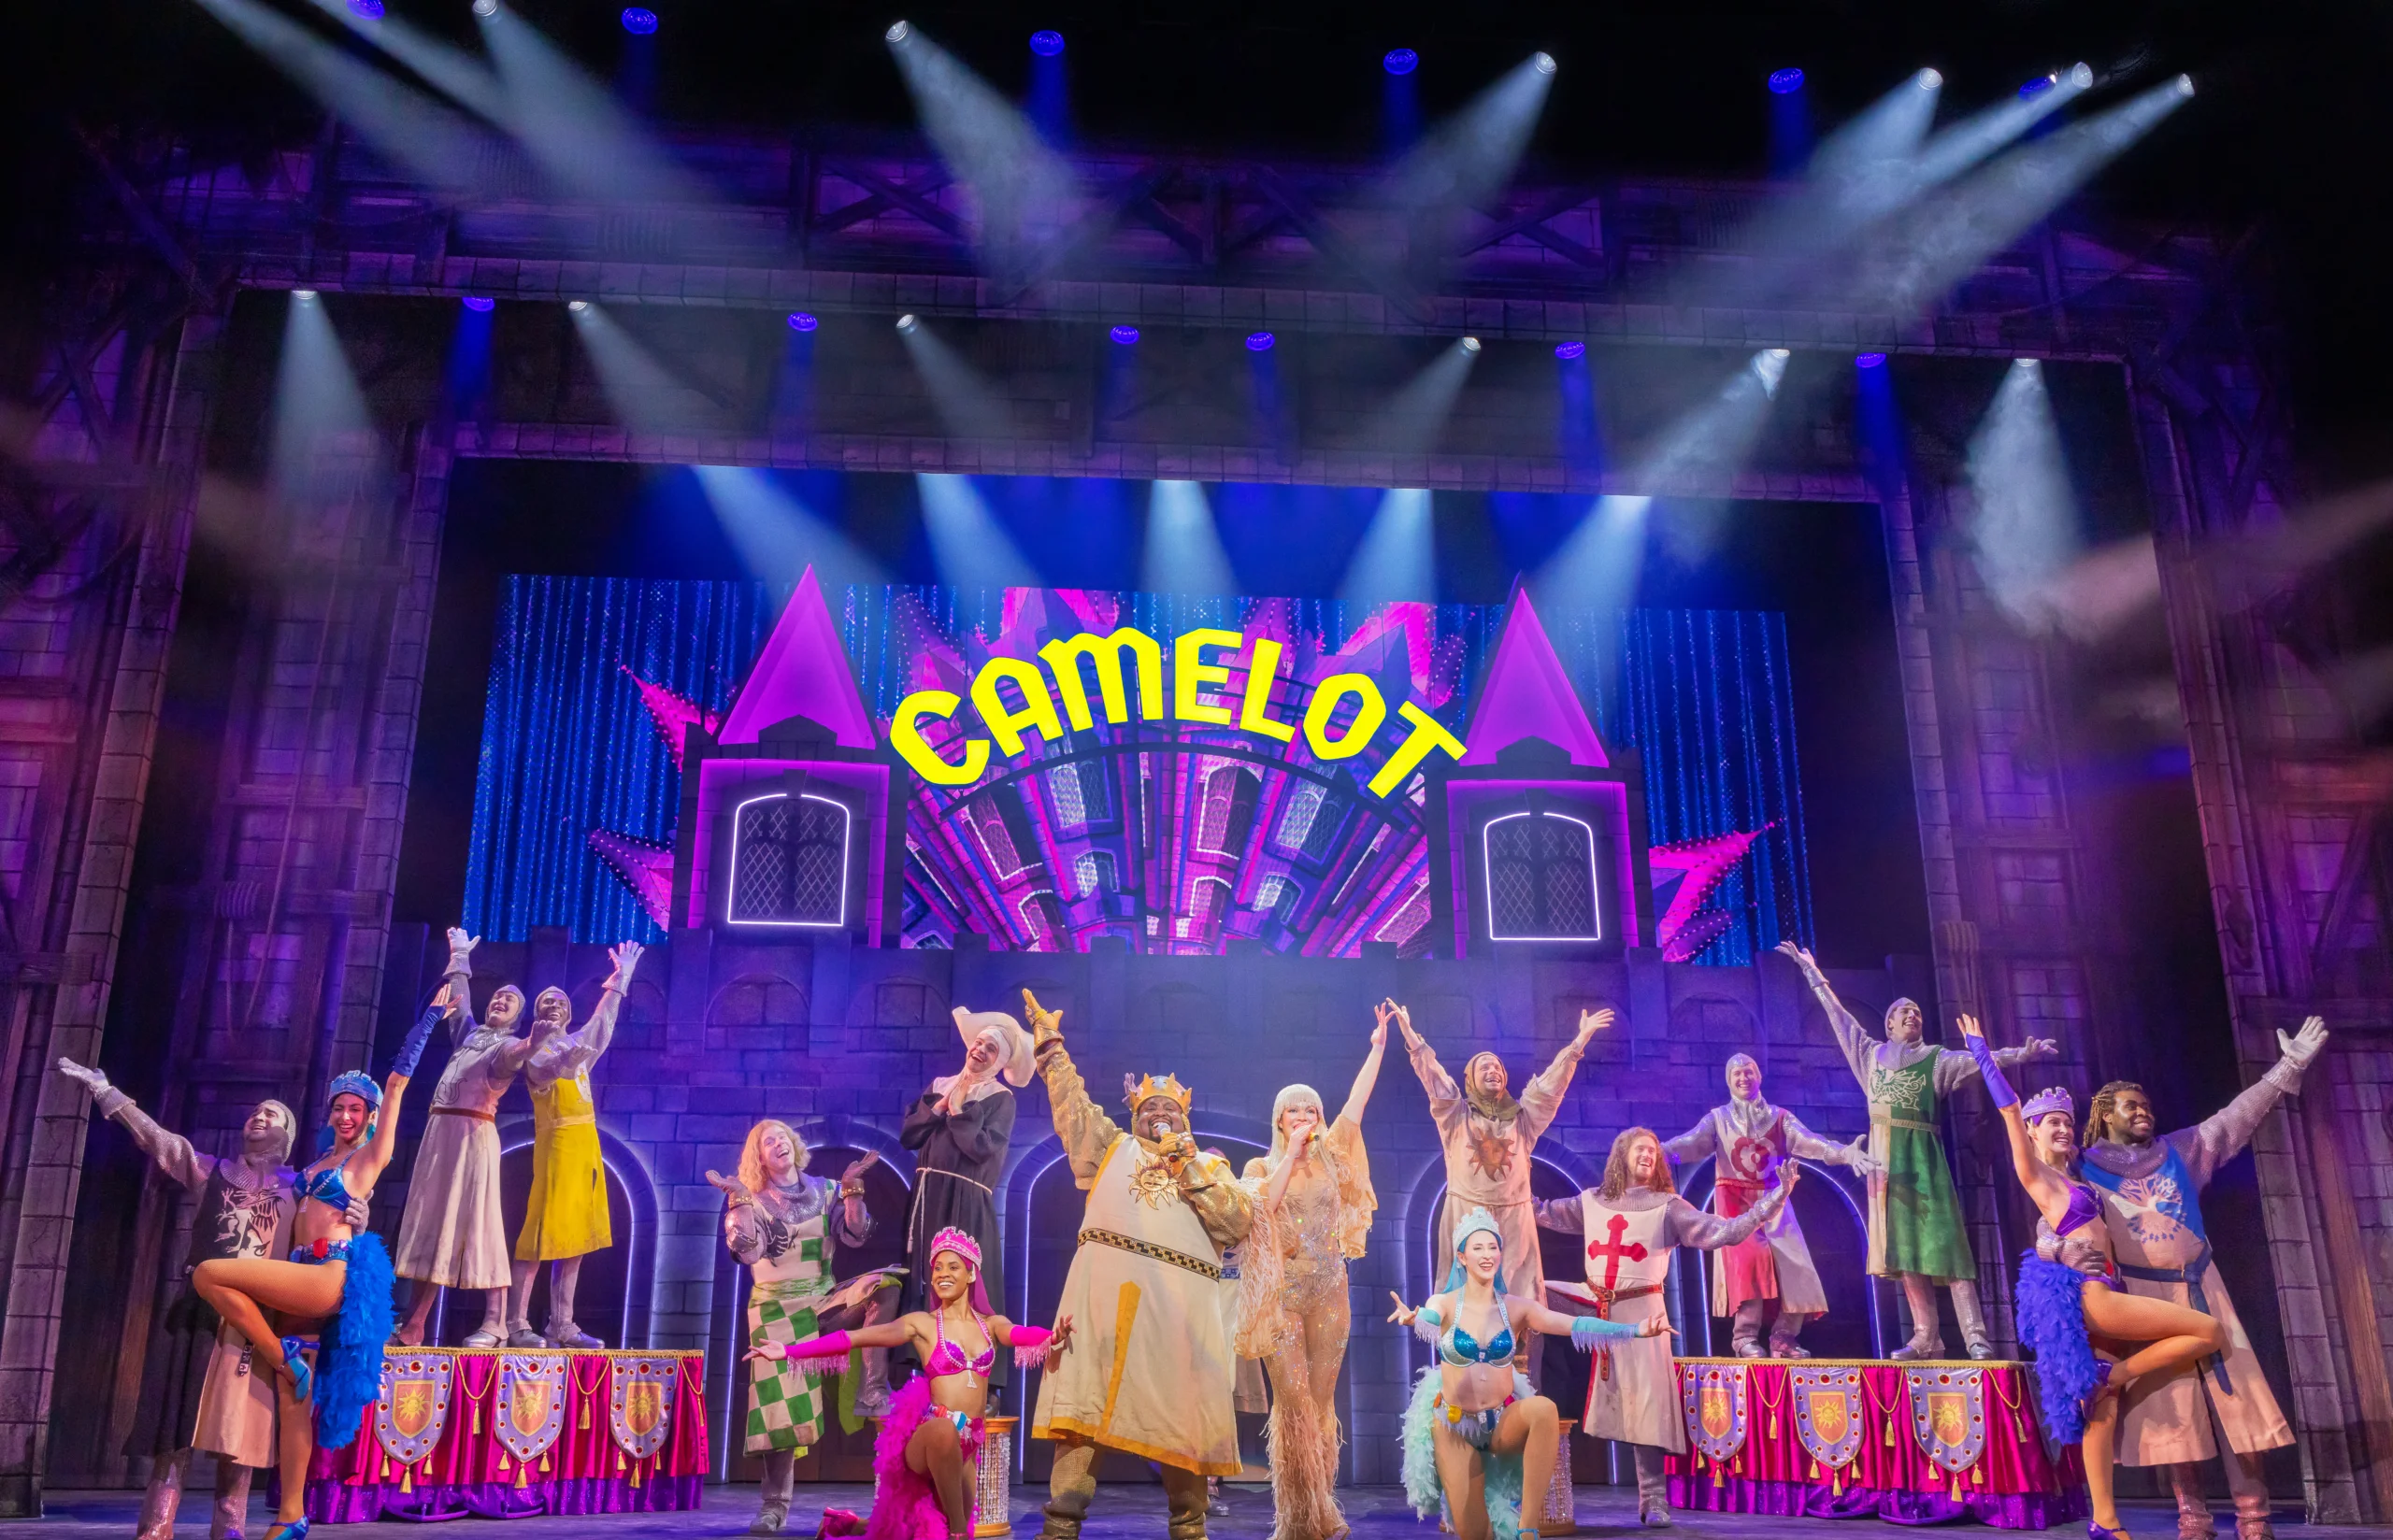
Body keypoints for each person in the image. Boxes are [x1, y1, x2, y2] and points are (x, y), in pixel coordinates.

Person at [53, 1065, 366, 1540]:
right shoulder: (212, 1170)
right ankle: (157, 1527)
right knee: (175, 1424)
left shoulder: (297, 1185)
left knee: (238, 1432)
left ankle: (230, 1529)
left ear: (289, 1135)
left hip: (256, 1319)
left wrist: (355, 1217)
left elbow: (329, 1220)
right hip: (201, 1309)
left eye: (273, 1113)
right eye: (255, 1112)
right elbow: (160, 1141)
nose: (259, 1117)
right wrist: (106, 1091)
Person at [185, 984, 449, 1540]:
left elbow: (398, 1084)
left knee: (209, 1273)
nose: (347, 1115)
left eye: (356, 1109)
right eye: (339, 1107)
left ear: (370, 1116)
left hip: (328, 1277)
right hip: (295, 1275)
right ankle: (291, 1515)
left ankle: (281, 1355)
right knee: (293, 1404)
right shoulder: (315, 1163)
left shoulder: (366, 1159)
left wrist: (428, 1017)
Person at [1963, 1017, 2228, 1540]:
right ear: (2036, 1133)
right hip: (2093, 1296)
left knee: (2099, 1413)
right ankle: (2116, 1377)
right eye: (2052, 1123)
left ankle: (2104, 1521)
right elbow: (2010, 1111)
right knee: (2208, 1331)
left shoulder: (2076, 1172)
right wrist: (1981, 1054)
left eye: (2067, 1120)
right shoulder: (2035, 1173)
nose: (2063, 1128)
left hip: (2105, 1288)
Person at [2079, 1018, 2327, 1540]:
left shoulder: (2181, 1151)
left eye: (2147, 1104)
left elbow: (2236, 1116)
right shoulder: (2083, 1170)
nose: (2144, 1111)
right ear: (2104, 1115)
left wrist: (2288, 1066)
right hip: (2144, 1296)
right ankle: (2194, 1518)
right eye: (2131, 1105)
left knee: (2239, 1401)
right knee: (2174, 1408)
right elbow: (2050, 1204)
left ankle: (2253, 1518)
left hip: (2202, 1284)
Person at [1021, 987, 1253, 1540]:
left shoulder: (1210, 1168)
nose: (1160, 1116)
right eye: (1150, 1109)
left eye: (1170, 1110)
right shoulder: (1110, 1148)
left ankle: (1189, 1525)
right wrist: (1052, 1048)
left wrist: (1186, 1162)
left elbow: (1236, 1223)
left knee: (1179, 1419)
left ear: (1185, 1118)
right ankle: (1061, 1523)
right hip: (1105, 1300)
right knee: (1084, 1414)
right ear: (1136, 1116)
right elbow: (1073, 1108)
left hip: (1176, 1313)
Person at [1777, 941, 2056, 1359]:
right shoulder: (1870, 1056)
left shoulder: (1938, 1059)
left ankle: (1975, 1335)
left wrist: (2022, 1053)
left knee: (1946, 1246)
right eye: (1904, 1012)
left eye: (1918, 1013)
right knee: (1904, 1252)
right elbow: (1839, 1016)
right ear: (1888, 1024)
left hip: (1924, 1159)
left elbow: (1984, 1062)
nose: (1912, 1015)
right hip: (1886, 1166)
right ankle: (1927, 1336)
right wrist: (1811, 973)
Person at [1535, 1128, 1797, 1527]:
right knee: (1529, 1296)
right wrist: (1503, 1183)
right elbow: (1540, 1211)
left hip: (1642, 1312)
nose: (1647, 1155)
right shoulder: (1591, 1201)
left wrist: (1772, 1200)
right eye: (1640, 1149)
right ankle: (1522, 1413)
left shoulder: (1669, 1208)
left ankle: (1653, 1500)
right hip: (1590, 1300)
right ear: (1621, 1155)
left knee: (1648, 1406)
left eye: (1653, 1151)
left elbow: (1723, 1232)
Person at [749, 1228, 1068, 1540]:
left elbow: (1020, 1335)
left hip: (970, 1443)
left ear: (971, 1275)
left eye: (953, 1267)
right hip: (931, 1435)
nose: (943, 1274)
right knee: (950, 1472)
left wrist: (1051, 1337)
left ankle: (845, 1524)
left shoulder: (991, 1325)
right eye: (937, 1268)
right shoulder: (923, 1324)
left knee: (912, 1525)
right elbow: (855, 1338)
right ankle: (959, 1536)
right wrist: (791, 1350)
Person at [1389, 1208, 1666, 1540]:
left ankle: (1528, 1528)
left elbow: (1572, 1324)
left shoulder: (1517, 1307)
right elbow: (1430, 1318)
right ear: (1462, 1256)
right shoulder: (1445, 1302)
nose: (1487, 1255)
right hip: (1455, 1424)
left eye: (1493, 1247)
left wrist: (1634, 1329)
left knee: (1543, 1409)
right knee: (1475, 1534)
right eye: (1477, 1248)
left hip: (1501, 1420)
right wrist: (1414, 1318)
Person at [1234, 1003, 1389, 1540]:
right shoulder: (1259, 1167)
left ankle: (1319, 1509)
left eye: (1310, 1112)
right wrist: (1290, 1153)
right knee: (1293, 1404)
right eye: (1293, 1113)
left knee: (1320, 1404)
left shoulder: (1334, 1157)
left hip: (1329, 1290)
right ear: (1279, 1120)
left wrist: (1376, 1048)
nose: (1304, 1118)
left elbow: (1358, 1102)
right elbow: (1262, 1208)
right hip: (1281, 1293)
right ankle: (1301, 1519)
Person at [1397, 1001, 1615, 1345]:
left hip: (1515, 1221)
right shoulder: (1456, 1117)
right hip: (1467, 1216)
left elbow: (1548, 1089)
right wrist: (1412, 1039)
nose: (1492, 1070)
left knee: (1519, 1313)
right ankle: (1465, 1383)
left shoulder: (1522, 1120)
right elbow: (1435, 1081)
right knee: (1464, 1311)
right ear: (1469, 1079)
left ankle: (1517, 1386)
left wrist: (1577, 1045)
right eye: (1483, 1067)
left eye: (1497, 1067)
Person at [709, 1120, 878, 1537]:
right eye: (769, 1141)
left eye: (784, 1136)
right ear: (759, 1157)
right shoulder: (752, 1198)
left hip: (823, 1302)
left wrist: (852, 1189)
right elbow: (746, 1253)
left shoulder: (824, 1190)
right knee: (778, 1413)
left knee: (885, 1287)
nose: (779, 1142)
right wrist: (739, 1203)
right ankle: (774, 1506)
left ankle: (873, 1387)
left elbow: (856, 1236)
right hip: (775, 1311)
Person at [1660, 1052, 1876, 1358]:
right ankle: (1744, 1337)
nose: (1743, 1077)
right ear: (1729, 1081)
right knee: (1750, 1264)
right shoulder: (1718, 1119)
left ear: (1759, 1076)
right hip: (1736, 1203)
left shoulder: (1779, 1116)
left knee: (1795, 1265)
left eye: (1748, 1071)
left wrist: (1844, 1153)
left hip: (1774, 1199)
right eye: (1736, 1074)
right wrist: (1659, 1152)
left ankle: (1783, 1338)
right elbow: (1691, 1142)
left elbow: (1808, 1141)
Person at [394, 929, 537, 1348]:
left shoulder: (508, 1045)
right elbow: (459, 1006)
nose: (499, 1000)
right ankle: (412, 1317)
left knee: (466, 1223)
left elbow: (516, 1056)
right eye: (496, 996)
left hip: (472, 1136)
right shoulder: (471, 1035)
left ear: (516, 1016)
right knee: (429, 1220)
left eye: (508, 1000)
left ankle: (488, 1320)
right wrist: (459, 958)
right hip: (440, 1133)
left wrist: (534, 1041)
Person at [502, 942, 641, 1349]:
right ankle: (516, 1322)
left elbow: (603, 1024)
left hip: (586, 1144)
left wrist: (621, 979)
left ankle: (562, 1324)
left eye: (560, 1000)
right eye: (546, 1001)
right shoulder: (534, 1046)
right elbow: (539, 1073)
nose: (554, 1005)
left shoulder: (577, 1046)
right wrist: (557, 1064)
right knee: (542, 1232)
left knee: (576, 1235)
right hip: (558, 1142)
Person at [896, 1005, 1036, 1402]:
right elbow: (908, 1135)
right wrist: (938, 1107)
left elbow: (980, 1148)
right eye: (979, 1043)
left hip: (965, 1200)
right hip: (927, 1195)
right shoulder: (942, 1084)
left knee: (964, 1281)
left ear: (999, 1062)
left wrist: (958, 1114)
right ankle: (919, 1366)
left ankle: (976, 1374)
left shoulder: (1000, 1099)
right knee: (921, 1274)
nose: (980, 1050)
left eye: (991, 1049)